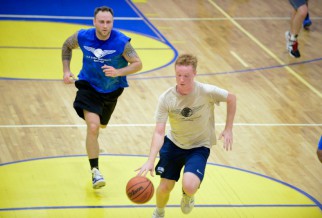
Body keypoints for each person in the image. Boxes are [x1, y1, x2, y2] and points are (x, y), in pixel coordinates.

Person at [137, 54, 236, 218]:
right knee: (164, 188)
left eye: (186, 76)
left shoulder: (206, 91)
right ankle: (159, 213)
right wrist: (150, 160)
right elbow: (159, 132)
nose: (181, 80)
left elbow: (232, 98)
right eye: (178, 75)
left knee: (189, 186)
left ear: (195, 74)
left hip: (199, 146)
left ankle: (187, 196)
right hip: (174, 144)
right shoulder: (166, 98)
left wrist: (228, 128)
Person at [62, 6, 142, 189]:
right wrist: (66, 71)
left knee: (101, 126)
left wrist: (118, 72)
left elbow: (137, 63)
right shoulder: (83, 36)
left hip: (112, 91)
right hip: (88, 86)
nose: (105, 26)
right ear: (94, 22)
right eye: (102, 22)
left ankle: (94, 143)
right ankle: (95, 172)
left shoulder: (122, 42)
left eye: (109, 22)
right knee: (93, 126)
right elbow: (67, 45)